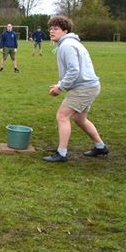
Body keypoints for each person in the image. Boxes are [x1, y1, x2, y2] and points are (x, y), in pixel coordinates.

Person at [42, 16, 109, 163]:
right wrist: (60, 84)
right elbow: (73, 71)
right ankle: (100, 146)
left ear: (65, 30)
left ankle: (62, 153)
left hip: (84, 88)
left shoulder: (67, 45)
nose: (52, 31)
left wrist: (60, 87)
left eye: (56, 28)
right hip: (90, 86)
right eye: (51, 28)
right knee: (80, 119)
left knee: (62, 116)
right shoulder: (69, 43)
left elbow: (73, 70)